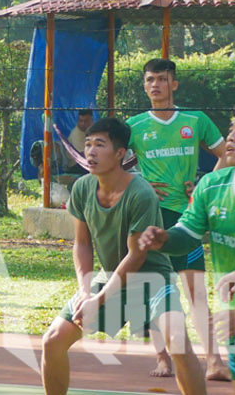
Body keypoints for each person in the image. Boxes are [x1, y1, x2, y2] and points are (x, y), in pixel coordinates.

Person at [139, 102, 235, 395]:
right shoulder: (210, 186)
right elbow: (187, 235)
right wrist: (166, 239)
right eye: (231, 128)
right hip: (234, 312)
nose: (230, 137)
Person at [38, 117, 202, 395]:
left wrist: (99, 299)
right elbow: (82, 244)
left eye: (99, 145)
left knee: (177, 341)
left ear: (120, 154)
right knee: (52, 339)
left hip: (152, 279)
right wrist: (85, 292)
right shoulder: (82, 188)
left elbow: (136, 256)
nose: (90, 151)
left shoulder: (141, 193)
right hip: (110, 276)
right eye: (88, 144)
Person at [132, 57, 229, 380]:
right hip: (150, 217)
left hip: (186, 219)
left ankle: (214, 361)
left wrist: (204, 184)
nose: (155, 85)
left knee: (196, 290)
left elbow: (227, 154)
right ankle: (163, 358)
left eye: (162, 79)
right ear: (144, 86)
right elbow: (109, 161)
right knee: (155, 289)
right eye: (150, 80)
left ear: (174, 83)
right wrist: (139, 183)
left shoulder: (195, 119)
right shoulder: (134, 125)